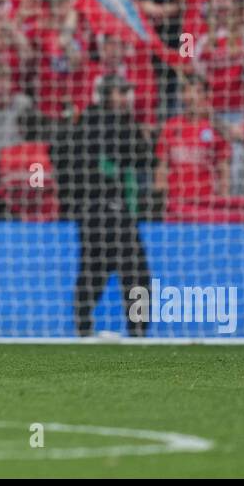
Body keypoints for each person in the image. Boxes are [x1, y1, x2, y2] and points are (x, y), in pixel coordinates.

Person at [52, 75, 153, 337]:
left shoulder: (82, 123)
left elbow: (63, 161)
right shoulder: (117, 122)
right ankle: (138, 331)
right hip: (114, 211)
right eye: (121, 92)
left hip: (89, 213)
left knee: (92, 271)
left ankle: (83, 328)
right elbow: (144, 156)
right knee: (136, 272)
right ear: (108, 94)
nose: (126, 98)